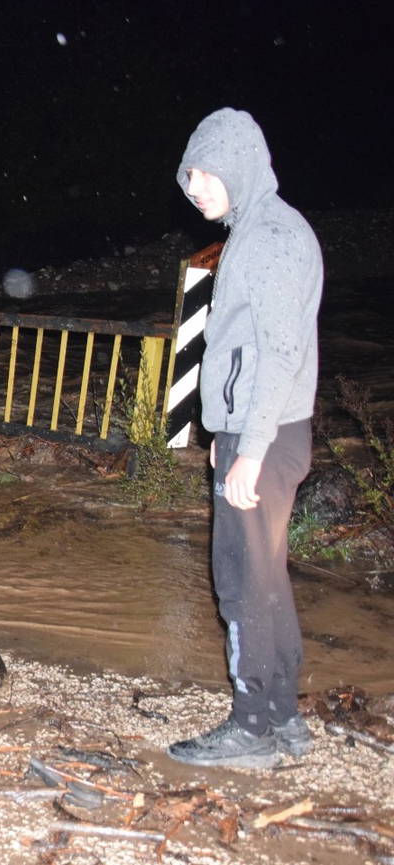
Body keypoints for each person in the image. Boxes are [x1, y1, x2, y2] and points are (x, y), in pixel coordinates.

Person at [167, 108, 323, 769]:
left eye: (206, 172)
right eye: (190, 174)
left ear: (239, 165)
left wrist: (250, 448)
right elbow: (253, 351)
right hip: (266, 428)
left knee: (240, 581)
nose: (195, 186)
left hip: (268, 435)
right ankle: (283, 716)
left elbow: (280, 351)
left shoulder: (268, 239)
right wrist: (227, 432)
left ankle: (252, 726)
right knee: (265, 577)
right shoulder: (265, 230)